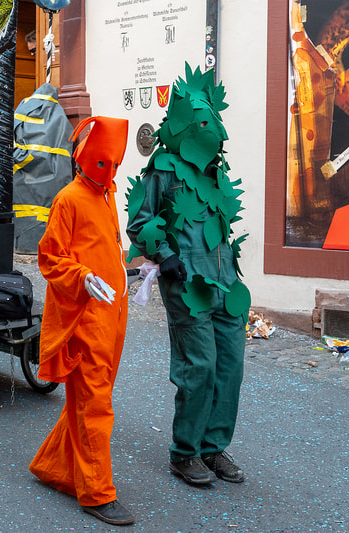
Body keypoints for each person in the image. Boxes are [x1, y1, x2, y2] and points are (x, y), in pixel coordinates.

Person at [126, 65, 251, 487]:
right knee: (199, 366)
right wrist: (164, 255)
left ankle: (213, 447)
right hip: (187, 284)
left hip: (225, 283)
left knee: (230, 367)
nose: (214, 132)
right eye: (202, 124)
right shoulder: (162, 169)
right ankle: (185, 452)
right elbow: (139, 221)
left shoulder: (214, 169)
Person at [29, 116, 135, 526]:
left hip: (112, 316)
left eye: (114, 164)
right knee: (95, 402)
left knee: (90, 396)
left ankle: (55, 465)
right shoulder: (69, 199)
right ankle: (97, 493)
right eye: (102, 164)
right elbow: (50, 256)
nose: (109, 173)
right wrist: (82, 277)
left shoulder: (106, 194)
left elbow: (107, 246)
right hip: (84, 319)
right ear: (85, 158)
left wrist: (134, 272)